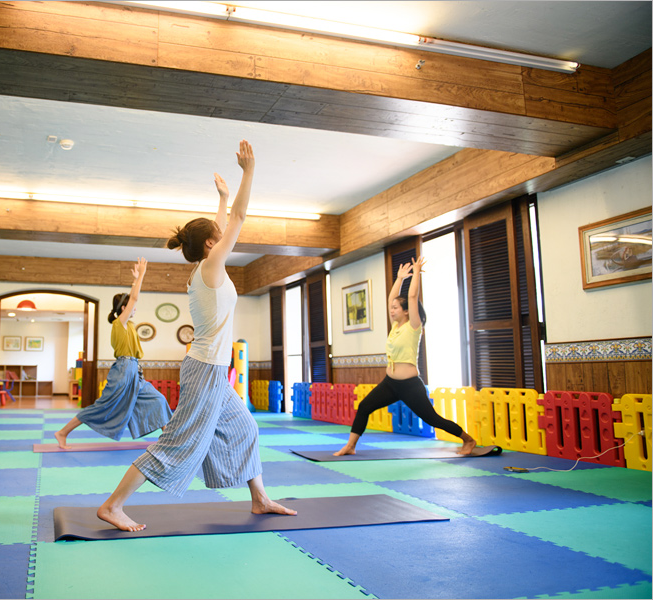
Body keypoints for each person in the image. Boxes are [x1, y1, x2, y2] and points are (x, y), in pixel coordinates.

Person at [97, 140, 297, 532]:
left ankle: (259, 498)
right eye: (217, 236)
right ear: (211, 245)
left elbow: (219, 225)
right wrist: (248, 172)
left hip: (212, 369)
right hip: (205, 369)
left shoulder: (205, 267)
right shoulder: (211, 267)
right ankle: (112, 505)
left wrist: (221, 197)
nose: (223, 236)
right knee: (179, 442)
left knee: (245, 427)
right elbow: (237, 218)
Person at [334, 256, 477, 457]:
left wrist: (416, 273)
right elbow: (392, 296)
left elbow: (412, 297)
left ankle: (468, 440)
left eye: (395, 308)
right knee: (365, 406)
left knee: (433, 419)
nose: (391, 310)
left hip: (410, 385)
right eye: (391, 308)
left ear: (407, 312)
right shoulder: (395, 326)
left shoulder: (413, 327)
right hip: (390, 383)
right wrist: (399, 278)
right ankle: (350, 446)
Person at [54, 257, 172, 449]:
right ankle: (62, 432)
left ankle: (167, 438)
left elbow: (131, 299)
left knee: (157, 399)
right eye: (131, 306)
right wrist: (141, 275)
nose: (135, 307)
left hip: (134, 371)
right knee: (103, 406)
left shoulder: (130, 325)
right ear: (124, 309)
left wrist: (135, 280)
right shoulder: (120, 323)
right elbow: (134, 298)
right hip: (124, 370)